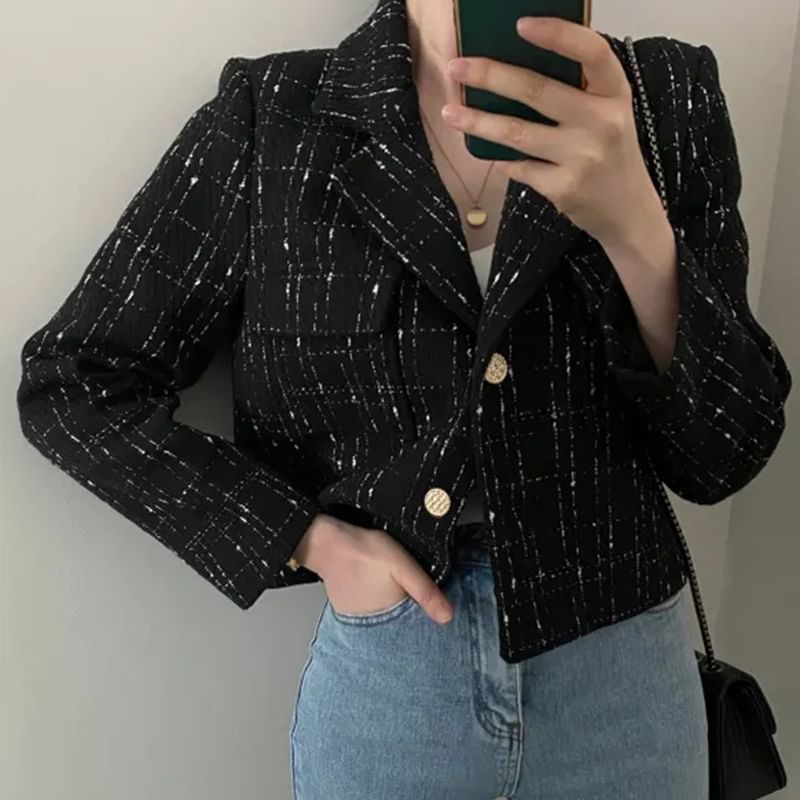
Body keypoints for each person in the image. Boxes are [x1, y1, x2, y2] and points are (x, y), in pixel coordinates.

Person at [16, 0, 792, 797]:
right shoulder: (276, 117)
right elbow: (74, 380)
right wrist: (308, 540)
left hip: (623, 684)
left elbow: (724, 454)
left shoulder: (663, 100)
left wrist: (634, 225)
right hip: (394, 683)